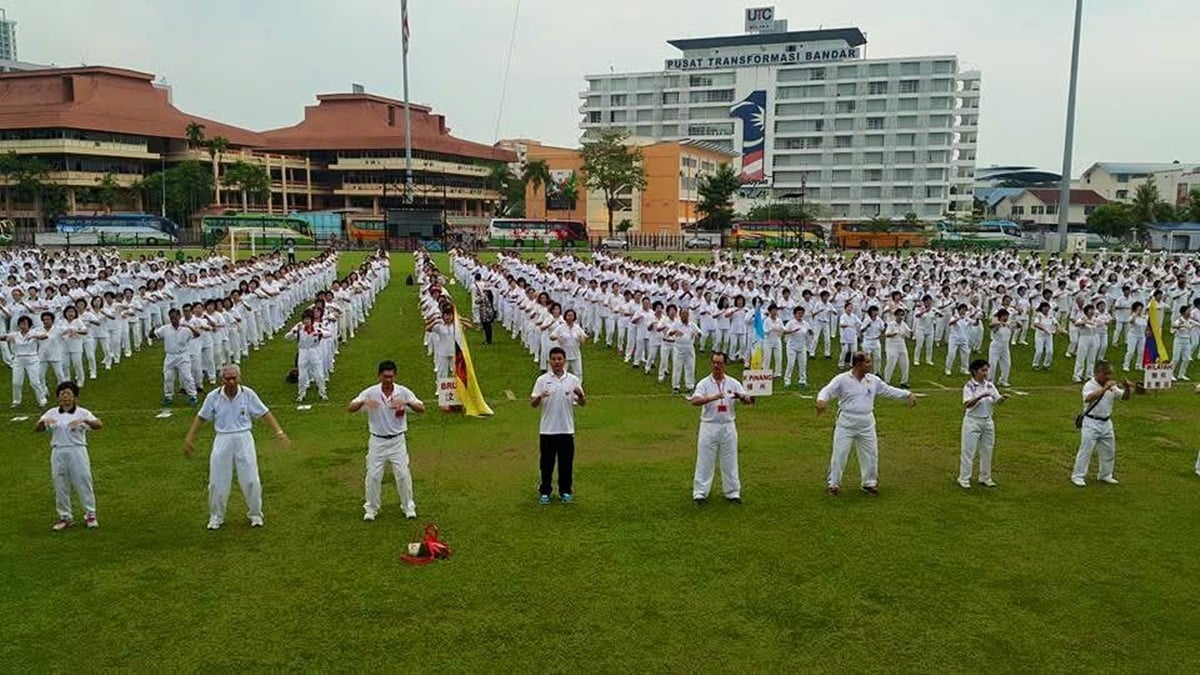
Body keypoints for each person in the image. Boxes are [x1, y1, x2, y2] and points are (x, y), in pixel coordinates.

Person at [184, 364, 290, 530]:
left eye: (234, 378)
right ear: (222, 380)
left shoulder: (248, 394)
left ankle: (255, 514)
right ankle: (216, 516)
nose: (231, 382)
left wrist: (279, 432)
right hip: (222, 438)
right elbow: (201, 417)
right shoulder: (213, 396)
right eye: (228, 379)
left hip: (244, 438)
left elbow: (265, 413)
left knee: (251, 479)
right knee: (217, 481)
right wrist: (190, 438)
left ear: (239, 378)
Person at [816, 352, 917, 496]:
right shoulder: (842, 379)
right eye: (868, 362)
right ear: (858, 364)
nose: (871, 365)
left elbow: (888, 390)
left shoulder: (873, 380)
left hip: (867, 423)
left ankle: (869, 483)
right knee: (840, 454)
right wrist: (821, 400)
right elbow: (827, 390)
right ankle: (834, 484)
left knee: (871, 454)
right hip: (846, 423)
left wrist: (907, 394)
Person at [348, 360, 426, 521]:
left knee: (403, 475)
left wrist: (406, 402)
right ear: (379, 376)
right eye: (385, 377)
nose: (388, 380)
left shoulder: (403, 392)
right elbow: (351, 407)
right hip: (377, 441)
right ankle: (371, 509)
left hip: (397, 441)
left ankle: (408, 507)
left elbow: (421, 409)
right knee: (373, 476)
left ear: (395, 375)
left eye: (391, 376)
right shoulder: (370, 392)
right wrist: (363, 402)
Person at [36, 381, 102, 531]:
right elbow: (38, 428)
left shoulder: (82, 412)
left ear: (74, 397)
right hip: (58, 450)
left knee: (83, 480)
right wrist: (43, 422)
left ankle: (90, 514)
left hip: (77, 450)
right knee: (60, 483)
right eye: (62, 394)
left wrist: (85, 421)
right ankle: (65, 517)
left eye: (68, 394)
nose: (65, 397)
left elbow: (98, 424)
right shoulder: (52, 412)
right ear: (58, 397)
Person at [689, 351, 753, 505]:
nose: (717, 366)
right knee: (705, 460)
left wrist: (743, 397)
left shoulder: (733, 383)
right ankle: (700, 493)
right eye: (714, 363)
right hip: (709, 425)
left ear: (725, 365)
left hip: (728, 425)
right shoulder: (704, 383)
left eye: (720, 363)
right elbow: (694, 401)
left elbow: (748, 400)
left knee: (730, 459)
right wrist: (712, 397)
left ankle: (732, 492)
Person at [531, 347, 586, 505]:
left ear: (564, 361)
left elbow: (582, 403)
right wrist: (540, 397)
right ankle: (545, 492)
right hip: (547, 430)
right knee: (546, 465)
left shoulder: (573, 380)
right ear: (550, 361)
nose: (556, 362)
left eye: (559, 359)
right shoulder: (542, 380)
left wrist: (581, 395)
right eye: (554, 359)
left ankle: (565, 491)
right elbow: (533, 404)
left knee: (566, 464)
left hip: (566, 429)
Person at [1070, 361, 1132, 487]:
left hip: (1106, 422)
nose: (1108, 377)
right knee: (1086, 450)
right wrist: (1104, 389)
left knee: (1109, 450)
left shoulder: (1112, 387)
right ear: (1097, 373)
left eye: (1110, 374)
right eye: (1106, 374)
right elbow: (1088, 398)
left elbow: (1124, 397)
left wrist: (1127, 388)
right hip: (1091, 422)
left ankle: (1106, 475)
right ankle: (1078, 476)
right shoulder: (1089, 385)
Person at [959, 359, 1006, 489]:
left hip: (988, 421)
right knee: (968, 451)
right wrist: (980, 396)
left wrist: (1002, 399)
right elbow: (967, 404)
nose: (985, 373)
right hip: (972, 421)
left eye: (986, 370)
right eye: (983, 370)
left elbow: (997, 400)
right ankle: (964, 478)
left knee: (987, 450)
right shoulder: (969, 386)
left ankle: (985, 477)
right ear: (975, 371)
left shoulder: (990, 385)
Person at [156, 308, 201, 407]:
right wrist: (152, 330)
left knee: (187, 377)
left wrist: (189, 326)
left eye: (175, 318)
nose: (173, 320)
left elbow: (197, 334)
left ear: (179, 317)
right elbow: (154, 335)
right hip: (170, 356)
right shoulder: (165, 328)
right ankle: (168, 396)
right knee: (168, 377)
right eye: (171, 318)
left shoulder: (185, 329)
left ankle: (193, 395)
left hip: (182, 356)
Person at [285, 309, 333, 402]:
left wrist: (320, 333)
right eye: (305, 319)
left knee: (319, 374)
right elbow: (287, 337)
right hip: (303, 352)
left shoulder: (317, 328)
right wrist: (293, 332)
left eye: (308, 319)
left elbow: (329, 333)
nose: (306, 321)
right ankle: (301, 394)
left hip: (314, 351)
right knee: (302, 376)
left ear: (312, 320)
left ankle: (322, 393)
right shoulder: (300, 328)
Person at [5, 315, 49, 407]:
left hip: (32, 359)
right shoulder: (15, 334)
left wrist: (34, 336)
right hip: (18, 359)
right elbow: (4, 337)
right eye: (21, 324)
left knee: (34, 382)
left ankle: (42, 399)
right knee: (16, 382)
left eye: (24, 323)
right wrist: (6, 338)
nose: (22, 326)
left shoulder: (34, 332)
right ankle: (16, 401)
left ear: (29, 324)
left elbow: (45, 336)